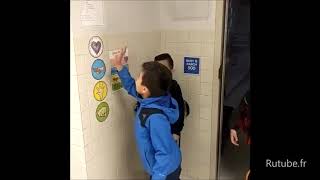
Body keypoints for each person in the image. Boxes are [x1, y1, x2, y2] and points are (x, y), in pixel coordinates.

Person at [111, 48, 182, 180]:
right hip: (166, 166)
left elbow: (164, 153)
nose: (136, 79)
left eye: (138, 77)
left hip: (165, 171)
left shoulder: (155, 118)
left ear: (144, 89)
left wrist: (158, 176)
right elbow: (132, 86)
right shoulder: (156, 98)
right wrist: (119, 67)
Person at [154, 53, 186, 146]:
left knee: (170, 159)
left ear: (172, 70)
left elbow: (180, 109)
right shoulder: (151, 87)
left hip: (170, 134)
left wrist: (176, 132)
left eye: (163, 68)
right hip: (155, 134)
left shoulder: (174, 87)